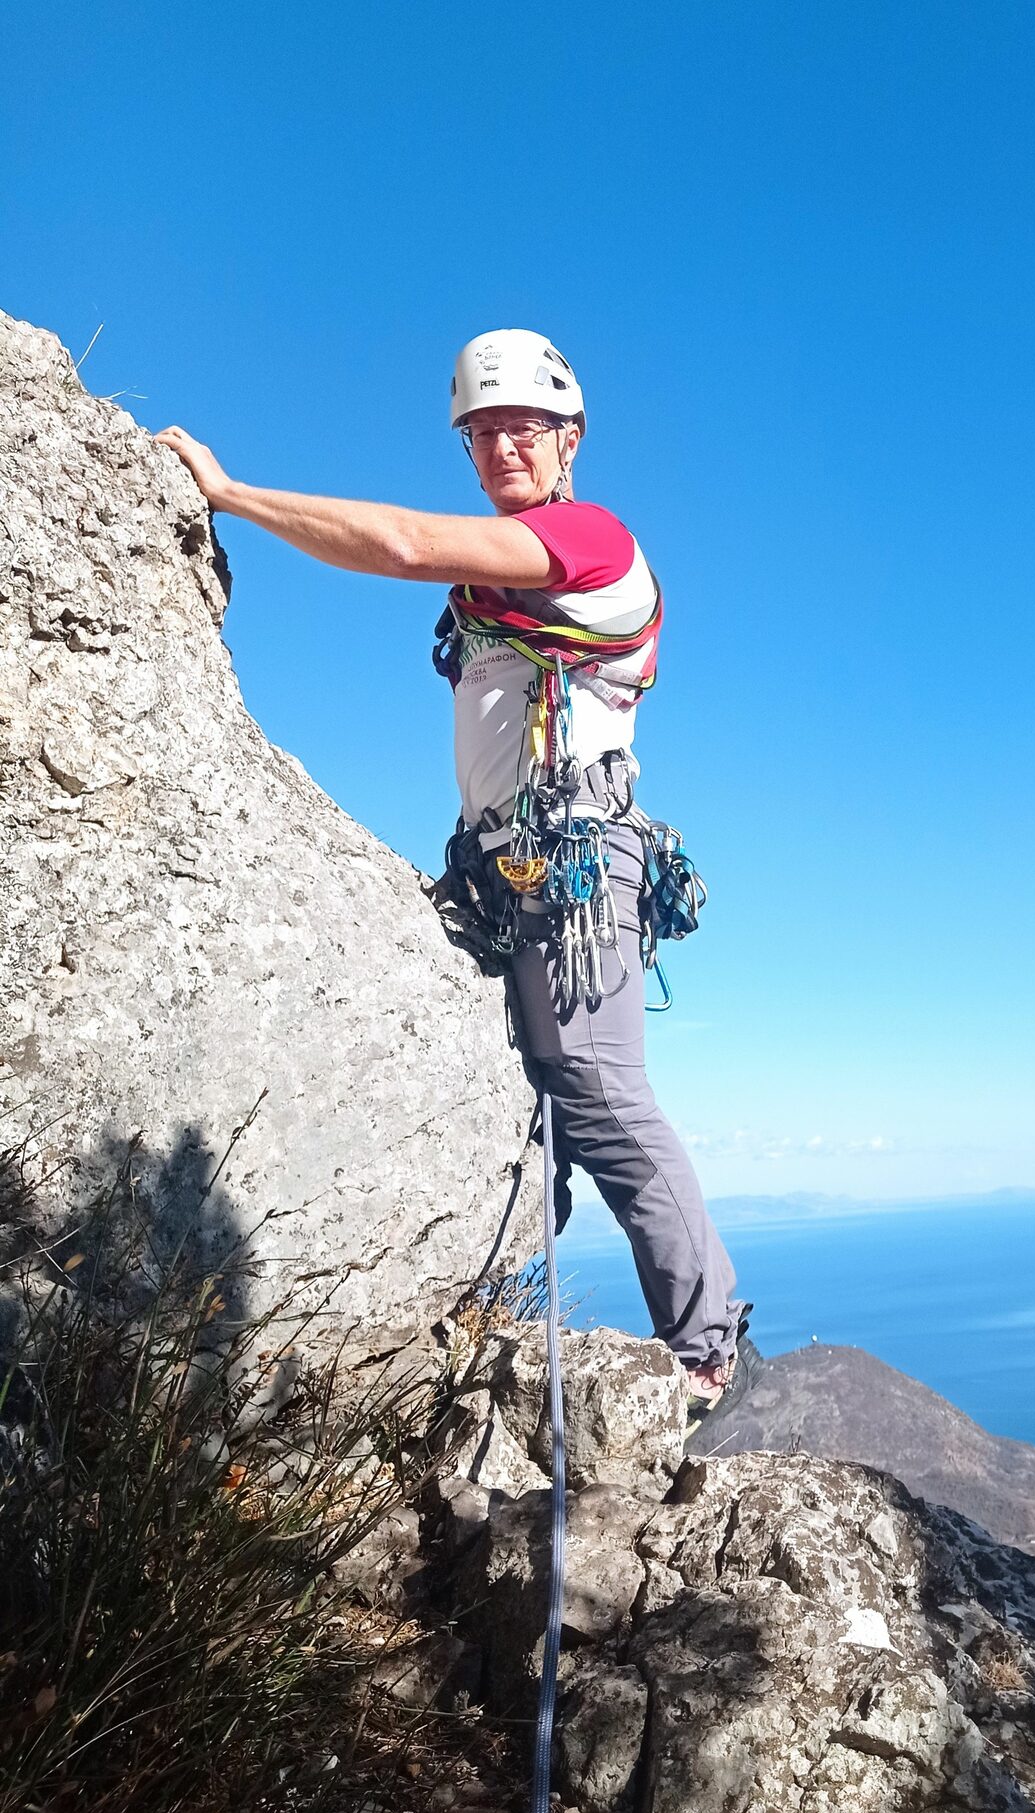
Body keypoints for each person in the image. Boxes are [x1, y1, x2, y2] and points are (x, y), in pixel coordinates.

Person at [157, 329, 748, 1420]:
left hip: (572, 865)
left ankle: (704, 1343)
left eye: (522, 425)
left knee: (595, 1087)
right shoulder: (507, 574)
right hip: (504, 865)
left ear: (570, 439)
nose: (501, 446)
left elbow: (401, 540)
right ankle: (498, 1300)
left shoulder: (589, 540)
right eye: (481, 432)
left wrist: (233, 495)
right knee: (528, 1099)